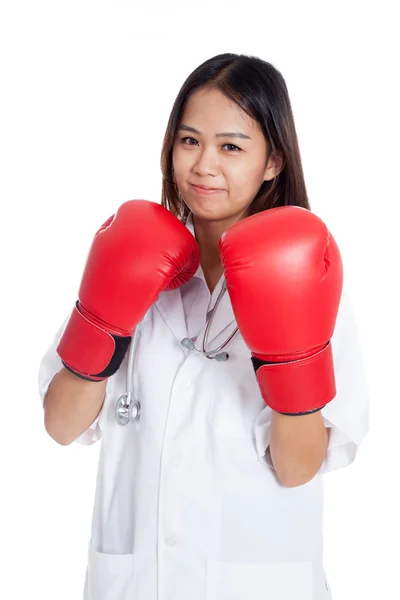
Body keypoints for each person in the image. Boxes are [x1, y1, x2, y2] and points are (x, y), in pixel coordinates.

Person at [38, 53, 370, 600]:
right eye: (189, 141)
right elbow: (61, 426)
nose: (203, 165)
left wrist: (292, 356)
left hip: (259, 583)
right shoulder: (128, 256)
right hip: (137, 583)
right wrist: (103, 319)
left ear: (273, 162)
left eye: (231, 146)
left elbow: (297, 468)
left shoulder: (311, 280)